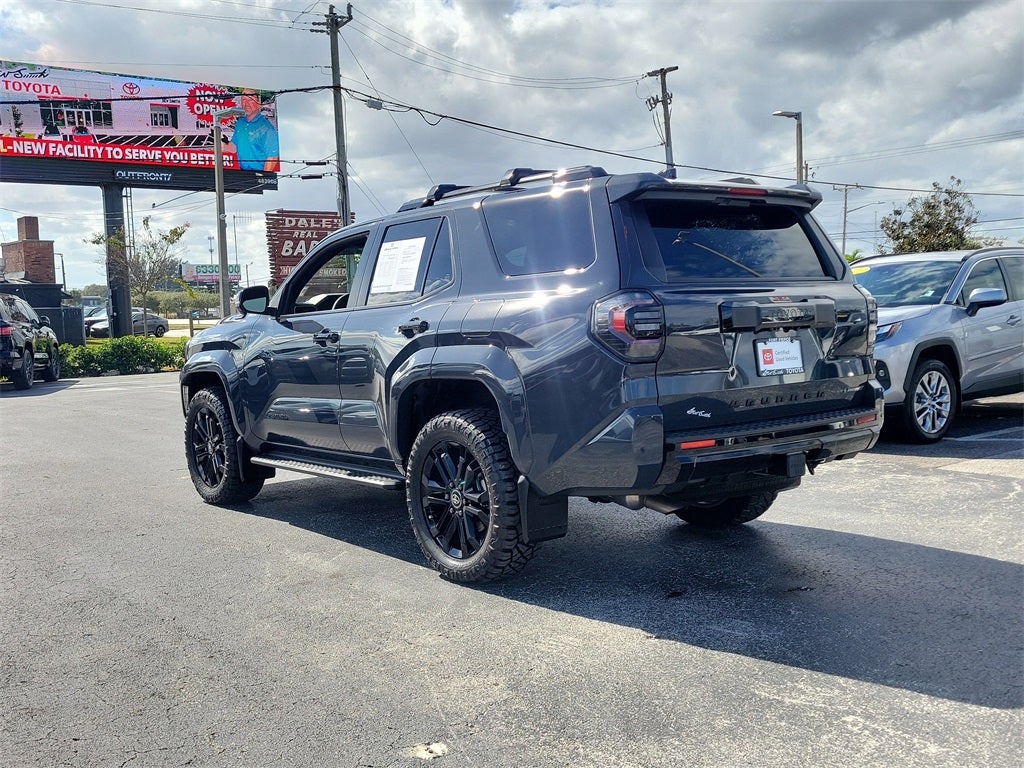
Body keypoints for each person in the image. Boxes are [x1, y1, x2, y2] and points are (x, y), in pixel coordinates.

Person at [226, 89, 280, 172]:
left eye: (250, 100)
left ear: (259, 104)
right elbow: (233, 147)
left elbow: (272, 156)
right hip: (242, 174)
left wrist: (263, 178)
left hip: (258, 174)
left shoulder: (266, 128)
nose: (246, 104)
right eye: (244, 100)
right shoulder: (240, 123)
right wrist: (221, 138)